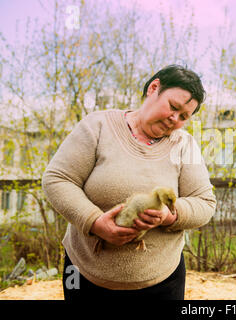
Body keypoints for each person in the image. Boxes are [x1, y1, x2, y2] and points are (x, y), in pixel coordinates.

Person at [41, 64, 216, 300]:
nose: (175, 118)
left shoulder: (185, 145)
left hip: (162, 281)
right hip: (83, 274)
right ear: (154, 88)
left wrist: (170, 216)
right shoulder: (98, 126)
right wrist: (94, 222)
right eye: (173, 107)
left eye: (184, 116)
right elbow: (57, 179)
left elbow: (205, 203)